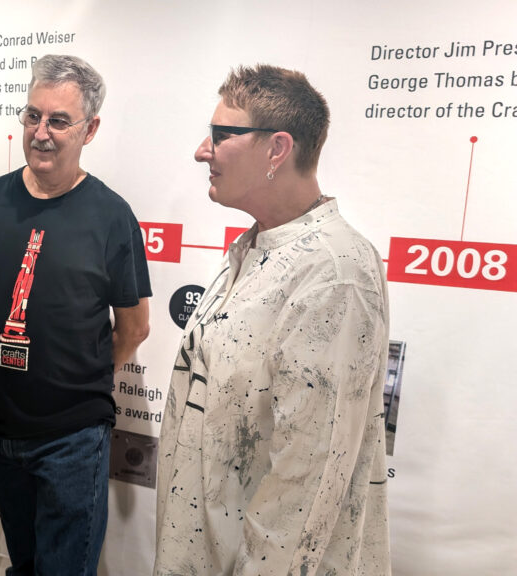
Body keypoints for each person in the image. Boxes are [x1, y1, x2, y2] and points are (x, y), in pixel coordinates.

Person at [154, 65, 391, 575]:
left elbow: (303, 491)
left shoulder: (334, 274)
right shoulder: (252, 248)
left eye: (221, 135)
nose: (203, 150)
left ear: (277, 149)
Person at [0, 54, 152, 575]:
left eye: (59, 121)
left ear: (90, 130)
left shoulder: (112, 216)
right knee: (24, 567)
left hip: (72, 438)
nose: (41, 133)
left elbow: (135, 328)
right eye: (32, 115)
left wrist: (75, 381)